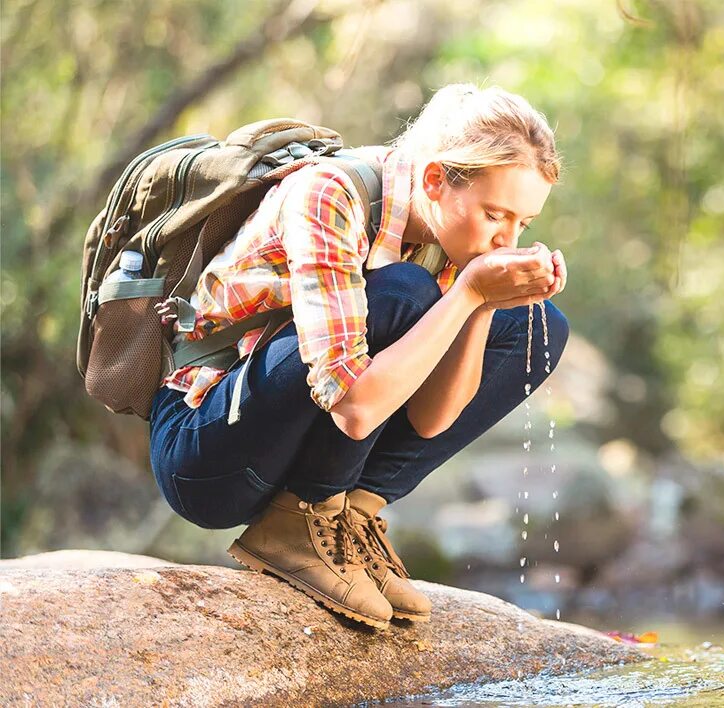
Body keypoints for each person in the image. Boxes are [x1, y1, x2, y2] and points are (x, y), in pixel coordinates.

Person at [147, 83, 569, 630]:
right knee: (406, 295)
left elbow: (431, 420)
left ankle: (349, 518)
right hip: (207, 452)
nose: (507, 240)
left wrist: (485, 305)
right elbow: (355, 408)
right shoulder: (329, 194)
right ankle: (302, 520)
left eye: (523, 225)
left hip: (290, 441)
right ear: (436, 179)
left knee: (537, 326)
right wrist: (465, 294)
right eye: (495, 215)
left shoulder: (442, 237)